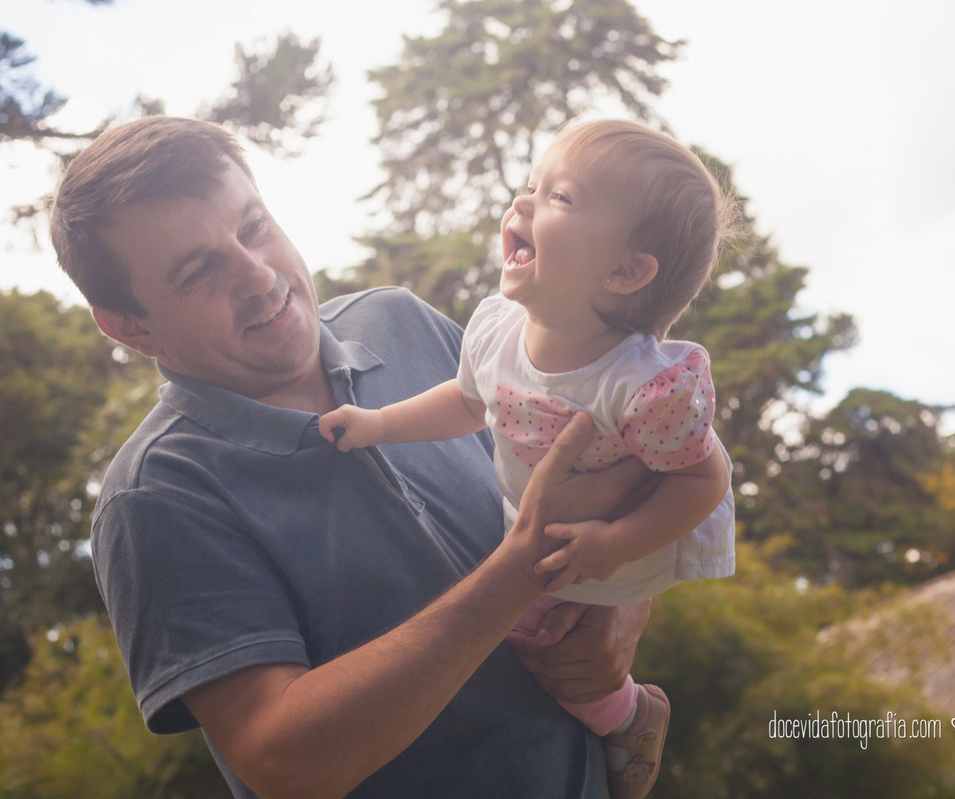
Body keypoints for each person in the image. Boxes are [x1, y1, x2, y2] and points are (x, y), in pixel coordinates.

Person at [48, 116, 685, 799]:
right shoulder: (154, 497)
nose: (260, 278)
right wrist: (517, 576)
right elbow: (285, 762)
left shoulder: (401, 320)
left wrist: (620, 608)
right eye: (200, 271)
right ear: (128, 324)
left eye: (253, 226)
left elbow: (610, 464)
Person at [320, 118, 737, 798]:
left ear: (626, 271)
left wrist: (616, 541)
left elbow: (702, 478)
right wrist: (376, 423)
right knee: (507, 622)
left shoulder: (643, 384)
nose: (523, 204)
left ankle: (631, 715)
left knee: (540, 642)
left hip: (623, 533)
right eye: (530, 185)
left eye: (559, 198)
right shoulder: (496, 328)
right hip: (542, 515)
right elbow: (465, 402)